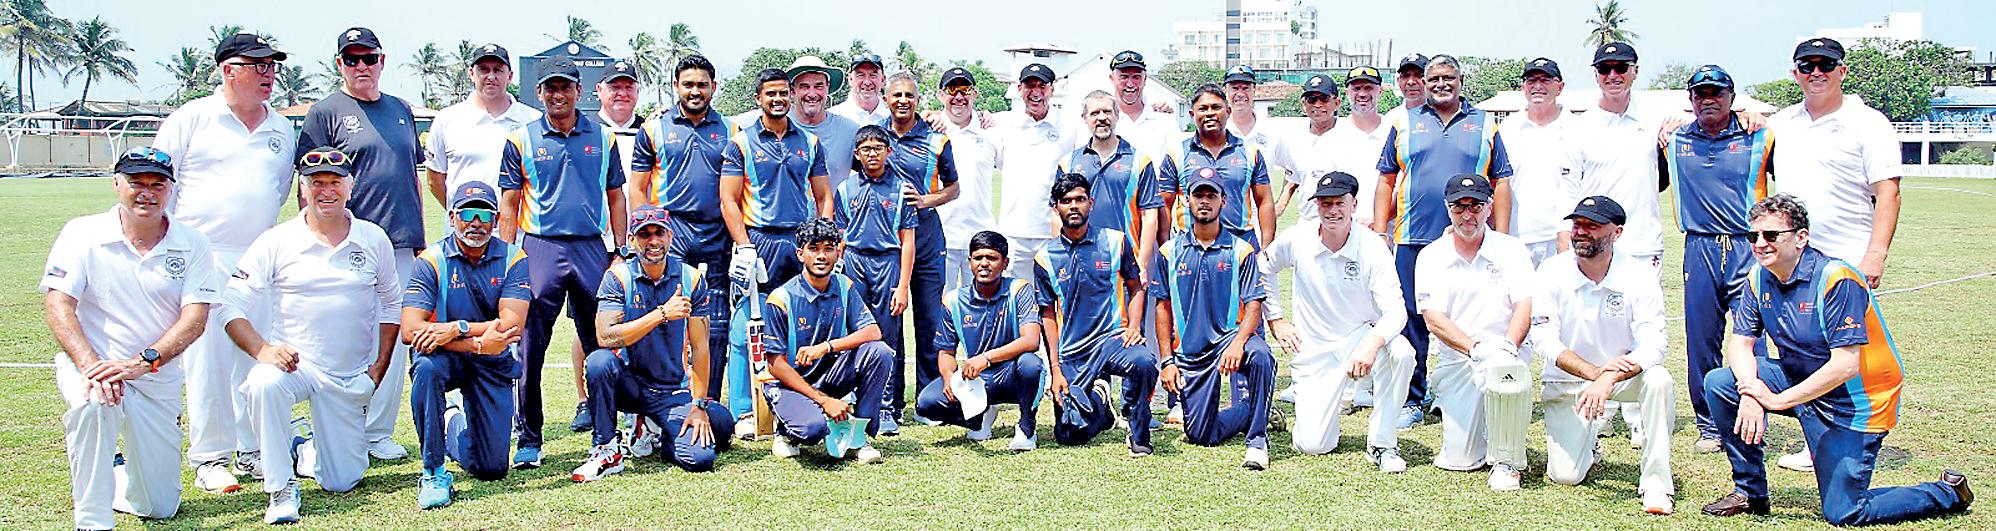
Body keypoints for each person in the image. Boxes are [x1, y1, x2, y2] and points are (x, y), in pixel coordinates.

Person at [1700, 194, 1973, 525]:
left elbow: (1846, 364)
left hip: (1855, 400)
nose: (1759, 244)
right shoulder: (1759, 277)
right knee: (1720, 383)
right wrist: (1750, 392)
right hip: (1800, 380)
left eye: (1771, 236)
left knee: (1845, 511)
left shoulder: (1836, 278)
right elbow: (1741, 344)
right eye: (1753, 236)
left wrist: (1775, 399)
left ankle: (1946, 492)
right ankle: (1750, 493)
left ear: (1801, 238)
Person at [44, 148, 221, 530]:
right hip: (94, 366)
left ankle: (118, 476)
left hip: (154, 375)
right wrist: (93, 367)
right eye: (136, 183)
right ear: (116, 185)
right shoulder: (82, 232)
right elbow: (59, 302)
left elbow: (195, 318)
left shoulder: (193, 243)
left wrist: (144, 362)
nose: (147, 193)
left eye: (157, 184)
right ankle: (92, 520)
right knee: (96, 405)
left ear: (171, 190)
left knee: (159, 507)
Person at [223, 147, 400, 524]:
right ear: (302, 189)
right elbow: (230, 304)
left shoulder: (373, 238)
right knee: (263, 383)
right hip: (296, 367)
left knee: (342, 481)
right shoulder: (277, 240)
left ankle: (302, 445)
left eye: (335, 182)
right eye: (316, 183)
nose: (326, 191)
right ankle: (281, 488)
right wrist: (263, 349)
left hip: (348, 375)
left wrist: (380, 366)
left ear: (350, 187)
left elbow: (391, 304)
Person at [152, 32, 295, 495]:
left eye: (272, 65)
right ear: (228, 69)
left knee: (257, 355)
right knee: (208, 362)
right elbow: (158, 185)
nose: (267, 73)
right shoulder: (192, 118)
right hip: (202, 255)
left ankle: (254, 450)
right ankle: (211, 457)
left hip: (259, 259)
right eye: (257, 65)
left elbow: (276, 193)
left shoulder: (281, 128)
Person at [1764, 38, 1905, 473]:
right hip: (1792, 261)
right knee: (1797, 353)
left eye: (1826, 64)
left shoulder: (1869, 122)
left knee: (1844, 356)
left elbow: (1888, 192)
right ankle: (1816, 442)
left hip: (1844, 262)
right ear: (1795, 73)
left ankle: (1853, 436)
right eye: (1807, 65)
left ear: (1842, 71)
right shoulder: (1782, 123)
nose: (1816, 72)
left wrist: (1875, 255)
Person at [297, 26, 424, 461]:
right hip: (347, 243)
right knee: (343, 340)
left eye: (368, 58)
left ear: (382, 60)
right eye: (351, 60)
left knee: (394, 338)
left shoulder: (402, 109)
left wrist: (421, 238)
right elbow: (310, 184)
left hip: (401, 245)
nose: (361, 67)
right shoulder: (325, 112)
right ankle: (337, 432)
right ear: (340, 65)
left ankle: (377, 432)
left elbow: (411, 176)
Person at [496, 57, 629, 469]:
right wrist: (506, 259)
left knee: (601, 344)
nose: (558, 95)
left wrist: (620, 249)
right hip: (540, 248)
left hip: (591, 248)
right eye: (550, 88)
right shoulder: (520, 139)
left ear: (579, 92)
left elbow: (617, 197)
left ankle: (605, 437)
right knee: (529, 347)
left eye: (565, 87)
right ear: (539, 93)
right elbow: (509, 204)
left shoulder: (604, 139)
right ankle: (529, 438)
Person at [1374, 54, 1514, 429]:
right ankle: (1412, 398)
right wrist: (1379, 231)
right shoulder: (1403, 122)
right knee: (1413, 320)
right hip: (1413, 237)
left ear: (1460, 79)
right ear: (1424, 81)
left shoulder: (1485, 124)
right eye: (1433, 78)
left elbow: (1501, 181)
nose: (1440, 84)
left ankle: (1468, 388)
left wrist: (1498, 234)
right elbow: (1386, 179)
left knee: (1472, 316)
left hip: (1472, 238)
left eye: (1447, 77)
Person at [1529, 196, 1675, 515]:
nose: (1581, 232)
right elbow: (1542, 339)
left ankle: (1656, 484)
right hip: (1569, 381)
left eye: (1592, 226)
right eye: (1577, 224)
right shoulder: (1551, 271)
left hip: (1620, 378)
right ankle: (1590, 442)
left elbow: (1655, 343)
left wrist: (1608, 378)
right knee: (1565, 476)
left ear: (1617, 233)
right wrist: (1595, 374)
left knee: (1659, 379)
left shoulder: (1638, 274)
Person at [1263, 172, 1414, 472]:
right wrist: (1276, 319)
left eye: (1339, 203)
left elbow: (1397, 309)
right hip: (1314, 350)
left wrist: (1371, 345)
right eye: (1325, 203)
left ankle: (1382, 443)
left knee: (1402, 353)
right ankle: (1334, 402)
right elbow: (1261, 268)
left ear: (1354, 205)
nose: (1332, 211)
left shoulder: (1371, 246)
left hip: (1360, 338)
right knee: (1313, 445)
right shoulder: (1298, 238)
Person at [572, 205, 734, 481]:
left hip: (671, 391)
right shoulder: (617, 277)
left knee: (709, 447)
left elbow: (701, 347)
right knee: (600, 361)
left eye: (659, 232)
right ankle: (606, 448)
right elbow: (604, 336)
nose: (653, 241)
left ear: (670, 236)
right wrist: (660, 315)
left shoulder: (691, 278)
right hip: (630, 386)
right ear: (633, 241)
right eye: (644, 235)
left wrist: (699, 406)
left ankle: (658, 432)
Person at [400, 181, 528, 509]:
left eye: (484, 214)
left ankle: (453, 421)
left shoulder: (513, 257)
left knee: (492, 468)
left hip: (490, 359)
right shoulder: (431, 259)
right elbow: (411, 330)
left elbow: (511, 326)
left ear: (497, 219)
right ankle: (433, 470)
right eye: (467, 213)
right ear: (453, 216)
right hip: (445, 357)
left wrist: (452, 330)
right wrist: (475, 341)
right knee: (426, 368)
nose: (476, 222)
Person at [1666, 64, 1772, 454]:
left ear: (1732, 96)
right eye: (1700, 94)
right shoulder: (1673, 141)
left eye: (1716, 93)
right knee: (1701, 340)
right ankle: (1709, 424)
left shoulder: (1758, 136)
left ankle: (1754, 412)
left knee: (1753, 337)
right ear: (1690, 99)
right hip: (1700, 247)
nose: (1708, 100)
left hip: (1748, 247)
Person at [720, 68, 835, 429]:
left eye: (784, 93)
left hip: (799, 240)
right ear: (758, 98)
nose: (778, 99)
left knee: (800, 322)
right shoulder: (741, 142)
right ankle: (743, 411)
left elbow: (824, 195)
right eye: (771, 94)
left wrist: (824, 239)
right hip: (759, 238)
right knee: (746, 325)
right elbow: (728, 199)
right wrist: (744, 246)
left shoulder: (810, 142)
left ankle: (797, 400)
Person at [629, 53, 739, 428]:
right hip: (670, 234)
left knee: (715, 323)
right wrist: (649, 237)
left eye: (702, 84)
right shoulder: (654, 129)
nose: (695, 91)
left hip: (716, 235)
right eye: (688, 84)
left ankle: (707, 402)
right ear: (676, 86)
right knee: (663, 320)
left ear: (713, 87)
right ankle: (657, 406)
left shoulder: (730, 129)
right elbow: (638, 190)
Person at [1412, 174, 1534, 491]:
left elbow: (1525, 306)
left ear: (1490, 207)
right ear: (1447, 208)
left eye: (1476, 206)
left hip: (1506, 351)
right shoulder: (1431, 256)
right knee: (1461, 459)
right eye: (1459, 207)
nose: (1468, 215)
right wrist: (1475, 349)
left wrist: (1506, 347)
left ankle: (1507, 461)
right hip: (1460, 358)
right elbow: (1433, 319)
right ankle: (1487, 430)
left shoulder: (1513, 249)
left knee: (1503, 369)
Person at [1152, 172, 1278, 470]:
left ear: (1224, 201)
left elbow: (1254, 304)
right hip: (1191, 352)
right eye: (1199, 196)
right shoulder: (1169, 252)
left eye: (1211, 196)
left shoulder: (1241, 250)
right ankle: (1253, 409)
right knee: (1200, 434)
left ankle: (1258, 440)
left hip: (1229, 340)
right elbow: (1162, 308)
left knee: (1260, 356)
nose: (1204, 202)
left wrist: (1238, 344)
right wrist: (1167, 361)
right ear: (1186, 200)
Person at [1035, 174, 1157, 456]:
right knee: (1068, 434)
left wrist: (1135, 326)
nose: (1074, 206)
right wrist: (1055, 369)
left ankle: (1138, 429)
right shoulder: (1044, 257)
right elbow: (1047, 315)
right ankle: (1101, 407)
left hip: (1113, 341)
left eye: (1080, 199)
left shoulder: (1116, 241)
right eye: (1066, 201)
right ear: (1056, 207)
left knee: (1143, 362)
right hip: (1072, 352)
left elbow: (1136, 287)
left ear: (1091, 203)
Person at [758, 218, 895, 463]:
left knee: (879, 352)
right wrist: (823, 401)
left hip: (830, 375)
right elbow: (775, 364)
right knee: (812, 430)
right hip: (789, 383)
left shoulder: (845, 286)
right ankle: (785, 432)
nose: (821, 256)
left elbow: (873, 332)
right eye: (814, 248)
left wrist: (827, 347)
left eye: (828, 248)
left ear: (838, 252)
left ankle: (858, 436)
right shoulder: (780, 299)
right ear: (801, 254)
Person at [878, 70, 961, 432]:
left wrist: (929, 199)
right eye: (895, 95)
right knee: (888, 323)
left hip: (927, 239)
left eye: (909, 95)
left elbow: (954, 187)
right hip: (884, 242)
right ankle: (888, 402)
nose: (902, 101)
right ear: (886, 98)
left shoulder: (936, 140)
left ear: (918, 100)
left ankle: (929, 402)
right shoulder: (873, 136)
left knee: (930, 321)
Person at [914, 231, 1045, 451]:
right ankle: (979, 415)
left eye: (992, 258)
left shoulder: (1020, 290)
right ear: (970, 262)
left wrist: (985, 358)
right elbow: (945, 352)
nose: (984, 263)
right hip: (977, 379)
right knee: (927, 402)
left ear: (1005, 263)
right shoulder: (953, 300)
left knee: (1031, 364)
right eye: (978, 258)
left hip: (1013, 372)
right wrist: (948, 379)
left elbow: (1031, 340)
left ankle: (1026, 426)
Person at [833, 124, 920, 434]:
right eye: (866, 149)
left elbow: (907, 239)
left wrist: (903, 284)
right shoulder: (846, 189)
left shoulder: (901, 189)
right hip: (855, 262)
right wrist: (836, 273)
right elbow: (840, 235)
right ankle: (856, 398)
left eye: (878, 149)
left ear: (889, 152)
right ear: (857, 154)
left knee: (887, 335)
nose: (872, 154)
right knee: (854, 331)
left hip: (887, 263)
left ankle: (886, 407)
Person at [992, 63, 1085, 280]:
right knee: (1016, 299)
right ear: (1019, 90)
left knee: (1057, 299)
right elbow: (963, 119)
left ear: (1052, 89)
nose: (1035, 92)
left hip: (1055, 230)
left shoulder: (1070, 125)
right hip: (1014, 232)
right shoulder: (1002, 123)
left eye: (1041, 86)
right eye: (1029, 85)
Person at [1158, 83, 1275, 247]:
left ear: (1228, 112)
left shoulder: (1250, 152)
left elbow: (1265, 201)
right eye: (1203, 108)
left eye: (1216, 107)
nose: (1210, 113)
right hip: (1190, 247)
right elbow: (1164, 205)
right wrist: (1166, 249)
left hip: (1240, 244)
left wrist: (1266, 249)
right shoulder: (1177, 154)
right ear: (1192, 114)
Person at [424, 44, 542, 205]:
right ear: (471, 74)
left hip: (518, 229)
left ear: (510, 76)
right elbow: (434, 180)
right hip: (462, 228)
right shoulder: (446, 119)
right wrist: (460, 214)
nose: (491, 76)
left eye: (498, 70)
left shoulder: (533, 120)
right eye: (483, 69)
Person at [1061, 90, 1162, 267]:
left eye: (1107, 112)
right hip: (1081, 260)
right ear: (1085, 118)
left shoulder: (1140, 161)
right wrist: (1064, 257)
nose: (1101, 117)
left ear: (1117, 116)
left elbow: (1150, 217)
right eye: (1094, 113)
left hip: (1125, 261)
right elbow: (1057, 213)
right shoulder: (1068, 162)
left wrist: (1143, 264)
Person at [1496, 58, 1577, 266]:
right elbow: (1496, 183)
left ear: (1560, 87)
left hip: (1564, 238)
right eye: (1531, 80)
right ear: (1523, 87)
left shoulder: (1578, 128)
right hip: (1517, 237)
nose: (1538, 86)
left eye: (1545, 80)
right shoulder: (1507, 128)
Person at [936, 67, 1002, 294]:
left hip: (980, 239)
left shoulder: (992, 132)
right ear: (940, 95)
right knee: (938, 310)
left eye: (965, 90)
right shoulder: (929, 130)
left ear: (974, 95)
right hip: (939, 238)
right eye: (952, 89)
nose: (958, 97)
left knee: (979, 308)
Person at [1104, 50, 1181, 160]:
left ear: (1145, 80)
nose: (1130, 84)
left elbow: (1177, 162)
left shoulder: (1164, 120)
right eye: (1124, 77)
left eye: (1136, 77)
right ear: (1112, 79)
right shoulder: (1103, 120)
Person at [831, 53, 889, 124]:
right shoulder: (834, 118)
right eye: (860, 75)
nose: (867, 82)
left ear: (883, 80)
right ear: (850, 79)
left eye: (873, 75)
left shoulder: (893, 117)